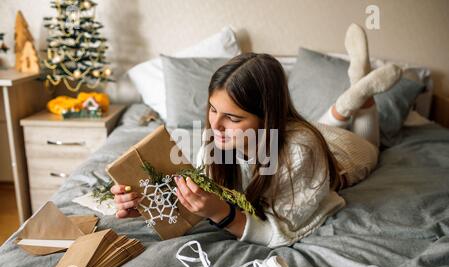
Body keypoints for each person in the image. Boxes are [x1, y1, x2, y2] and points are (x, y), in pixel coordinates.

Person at [111, 24, 401, 248]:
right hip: (302, 133)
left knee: (373, 147)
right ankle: (349, 96)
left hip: (342, 155)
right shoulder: (219, 138)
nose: (216, 125)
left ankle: (359, 92)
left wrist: (221, 213)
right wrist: (146, 204)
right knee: (318, 126)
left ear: (267, 117)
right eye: (213, 109)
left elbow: (279, 231)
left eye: (233, 118)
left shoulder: (302, 150)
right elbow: (197, 200)